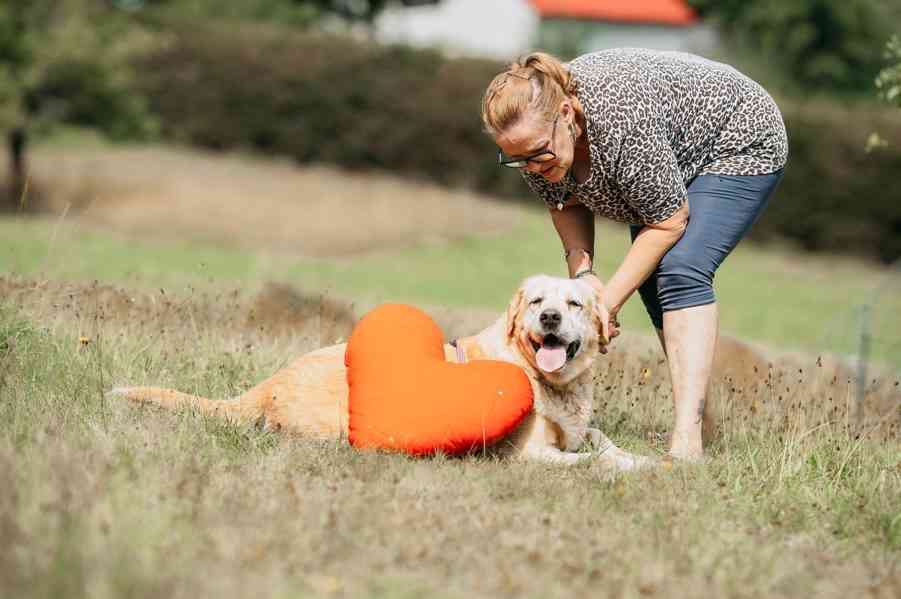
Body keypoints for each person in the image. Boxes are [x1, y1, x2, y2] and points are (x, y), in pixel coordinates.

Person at [480, 48, 788, 462]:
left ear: (568, 115)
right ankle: (701, 423)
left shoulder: (621, 123)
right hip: (671, 153)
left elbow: (669, 221)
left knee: (679, 271)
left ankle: (687, 445)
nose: (531, 167)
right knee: (651, 281)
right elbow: (566, 204)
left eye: (537, 153)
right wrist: (584, 276)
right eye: (516, 159)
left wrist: (602, 307)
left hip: (737, 138)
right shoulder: (537, 149)